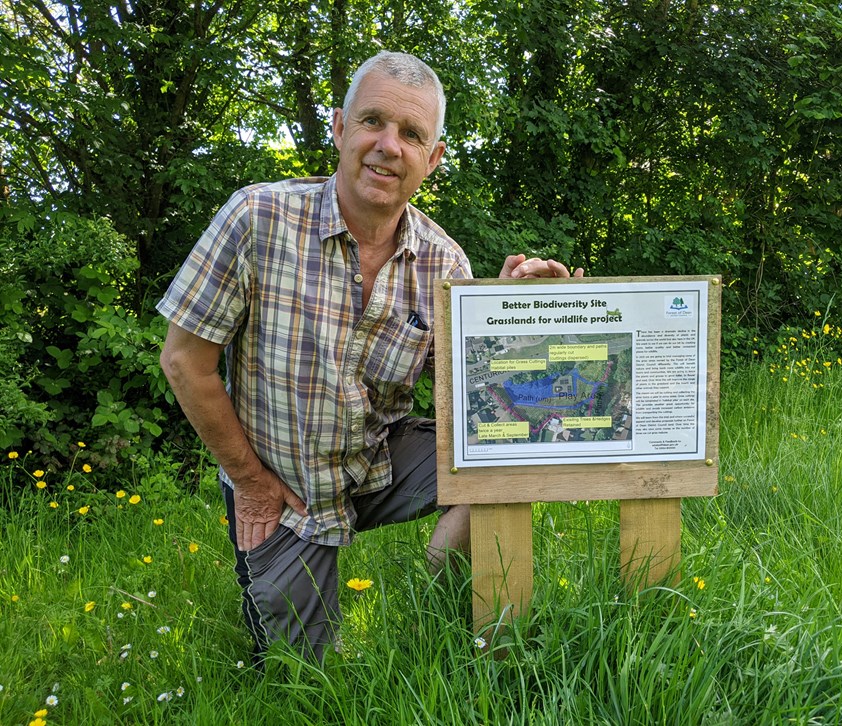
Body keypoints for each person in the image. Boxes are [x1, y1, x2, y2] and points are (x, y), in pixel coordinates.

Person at [157, 51, 582, 663]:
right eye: (373, 122)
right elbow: (184, 362)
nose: (389, 145)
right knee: (297, 680)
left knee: (504, 454)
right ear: (338, 128)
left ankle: (439, 582)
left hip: (379, 461)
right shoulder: (256, 217)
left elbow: (480, 398)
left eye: (412, 134)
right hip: (287, 487)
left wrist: (510, 315)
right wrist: (251, 484)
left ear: (432, 159)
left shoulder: (444, 263)